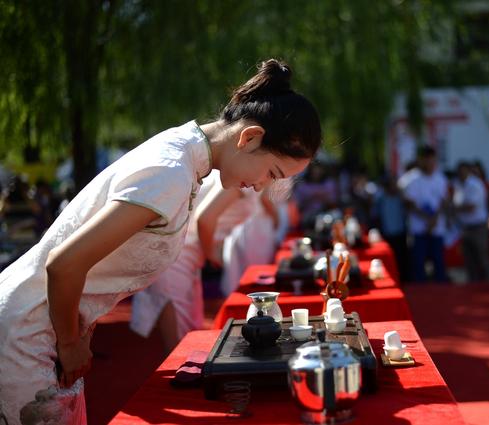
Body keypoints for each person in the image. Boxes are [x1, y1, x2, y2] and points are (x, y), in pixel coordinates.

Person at [0, 59, 321, 424]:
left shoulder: (182, 154)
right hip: (27, 334)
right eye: (271, 173)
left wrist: (77, 332)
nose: (263, 186)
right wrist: (70, 342)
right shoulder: (171, 172)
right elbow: (64, 264)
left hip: (44, 324)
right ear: (249, 138)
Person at [129, 171, 280, 353]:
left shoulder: (254, 178)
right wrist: (211, 254)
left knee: (191, 334)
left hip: (187, 255)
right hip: (176, 256)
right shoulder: (243, 177)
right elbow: (205, 218)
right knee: (181, 344)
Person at [398, 146, 448, 283]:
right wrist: (426, 218)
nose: (430, 164)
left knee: (438, 262)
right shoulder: (411, 179)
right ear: (421, 160)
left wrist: (434, 219)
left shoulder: (440, 178)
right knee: (418, 263)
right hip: (419, 228)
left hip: (437, 228)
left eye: (433, 160)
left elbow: (443, 201)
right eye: (427, 160)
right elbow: (408, 202)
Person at [452, 161, 489, 282]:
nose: (461, 174)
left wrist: (455, 208)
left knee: (482, 257)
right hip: (465, 227)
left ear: (468, 171)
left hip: (478, 227)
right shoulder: (459, 185)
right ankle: (473, 284)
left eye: (463, 171)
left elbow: (471, 207)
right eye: (459, 172)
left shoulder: (475, 184)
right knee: (469, 259)